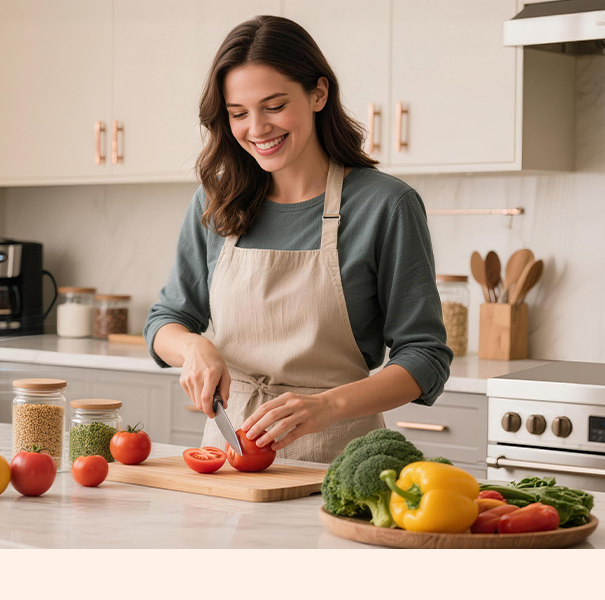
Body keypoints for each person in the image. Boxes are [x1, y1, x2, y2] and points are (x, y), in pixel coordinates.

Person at [144, 16, 453, 464]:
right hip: (229, 457)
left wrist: (329, 405)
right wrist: (194, 347)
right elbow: (165, 320)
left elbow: (425, 356)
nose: (257, 128)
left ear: (318, 94)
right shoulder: (217, 199)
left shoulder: (385, 205)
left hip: (340, 461)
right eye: (238, 114)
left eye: (273, 106)